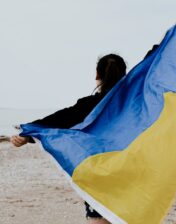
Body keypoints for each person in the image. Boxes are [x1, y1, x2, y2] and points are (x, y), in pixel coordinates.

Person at [11, 53, 127, 224]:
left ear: (97, 75)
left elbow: (57, 121)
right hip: (129, 172)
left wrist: (27, 133)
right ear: (125, 75)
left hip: (99, 173)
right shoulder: (136, 105)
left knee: (99, 220)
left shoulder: (87, 106)